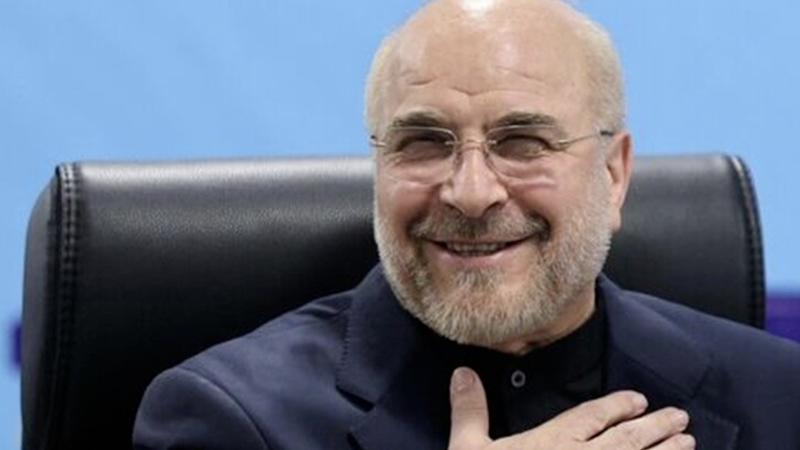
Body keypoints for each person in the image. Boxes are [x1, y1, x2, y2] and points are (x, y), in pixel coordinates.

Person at [133, 0, 800, 448]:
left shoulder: (779, 394)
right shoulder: (227, 417)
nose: (472, 193)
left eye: (522, 142)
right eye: (423, 142)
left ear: (614, 174)